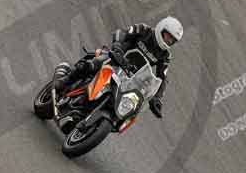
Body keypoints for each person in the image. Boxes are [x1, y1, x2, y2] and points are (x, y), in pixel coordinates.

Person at [53, 17, 184, 119]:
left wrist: (157, 98)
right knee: (91, 65)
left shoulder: (165, 56)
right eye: (168, 36)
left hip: (131, 79)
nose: (168, 41)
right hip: (116, 59)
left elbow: (163, 78)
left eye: (172, 40)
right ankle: (65, 80)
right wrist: (117, 47)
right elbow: (121, 32)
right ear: (162, 27)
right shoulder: (144, 30)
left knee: (130, 106)